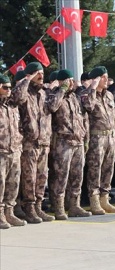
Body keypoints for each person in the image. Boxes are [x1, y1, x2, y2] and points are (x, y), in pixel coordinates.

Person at [12, 62, 54, 224]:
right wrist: (26, 80)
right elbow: (16, 98)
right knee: (29, 177)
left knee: (42, 177)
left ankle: (38, 206)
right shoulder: (24, 91)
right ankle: (28, 208)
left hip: (44, 141)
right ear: (29, 75)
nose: (41, 76)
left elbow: (53, 108)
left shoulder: (43, 94)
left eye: (42, 73)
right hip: (29, 142)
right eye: (37, 73)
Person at [45, 69, 91, 219]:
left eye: (72, 80)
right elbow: (52, 107)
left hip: (78, 141)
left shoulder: (75, 98)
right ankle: (59, 207)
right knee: (61, 176)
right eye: (69, 80)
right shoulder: (54, 95)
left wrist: (86, 139)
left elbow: (84, 118)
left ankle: (74, 206)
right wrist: (62, 89)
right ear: (62, 81)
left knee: (77, 176)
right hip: (62, 142)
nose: (72, 83)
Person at [81, 66, 115, 215]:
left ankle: (105, 198)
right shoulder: (86, 94)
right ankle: (94, 200)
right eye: (103, 77)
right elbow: (88, 106)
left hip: (110, 136)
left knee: (108, 170)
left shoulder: (109, 95)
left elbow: (114, 118)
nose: (106, 80)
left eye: (106, 77)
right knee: (95, 170)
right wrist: (92, 87)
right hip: (96, 138)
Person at [0, 74, 24, 229]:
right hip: (1, 151)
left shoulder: (12, 106)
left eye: (10, 87)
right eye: (5, 87)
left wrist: (19, 144)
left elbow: (19, 127)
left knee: (13, 184)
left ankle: (9, 212)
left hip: (14, 150)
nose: (9, 90)